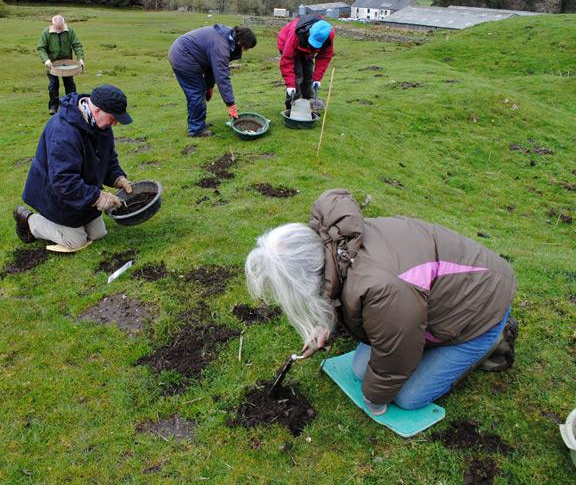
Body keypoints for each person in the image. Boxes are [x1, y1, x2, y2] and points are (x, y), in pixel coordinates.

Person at [245, 189, 518, 414]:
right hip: (426, 308)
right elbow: (337, 289)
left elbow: (396, 351)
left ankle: (493, 341)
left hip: (480, 309)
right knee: (361, 370)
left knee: (408, 398)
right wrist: (325, 327)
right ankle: (431, 345)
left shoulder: (381, 288)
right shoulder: (336, 241)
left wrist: (375, 400)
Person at [13, 85, 134, 251]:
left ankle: (73, 221)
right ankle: (29, 221)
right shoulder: (63, 132)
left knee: (98, 233)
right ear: (97, 110)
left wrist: (117, 177)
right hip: (57, 195)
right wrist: (97, 197)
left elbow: (108, 157)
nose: (115, 123)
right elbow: (63, 181)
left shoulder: (101, 125)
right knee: (76, 241)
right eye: (113, 118)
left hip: (82, 189)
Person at [168, 25, 257, 137]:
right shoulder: (221, 46)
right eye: (246, 47)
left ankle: (198, 124)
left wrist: (209, 86)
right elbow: (222, 76)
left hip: (184, 52)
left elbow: (211, 66)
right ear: (241, 42)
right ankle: (196, 130)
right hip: (182, 56)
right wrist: (230, 104)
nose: (245, 50)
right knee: (196, 92)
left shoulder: (229, 36)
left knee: (199, 91)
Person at [277, 15, 334, 113]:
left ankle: (310, 107)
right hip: (287, 44)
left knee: (309, 77)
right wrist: (290, 85)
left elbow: (324, 57)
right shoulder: (296, 33)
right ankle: (291, 108)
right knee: (297, 76)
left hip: (307, 51)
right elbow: (287, 60)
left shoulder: (327, 36)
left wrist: (317, 78)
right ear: (309, 32)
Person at [38, 15, 85, 115]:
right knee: (53, 85)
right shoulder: (46, 33)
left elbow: (77, 45)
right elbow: (41, 48)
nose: (59, 29)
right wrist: (46, 60)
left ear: (64, 24)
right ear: (52, 24)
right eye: (57, 28)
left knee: (70, 85)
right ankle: (54, 106)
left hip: (67, 63)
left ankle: (72, 105)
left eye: (60, 27)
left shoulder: (70, 32)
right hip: (52, 64)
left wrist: (80, 59)